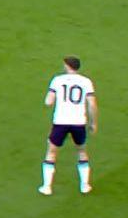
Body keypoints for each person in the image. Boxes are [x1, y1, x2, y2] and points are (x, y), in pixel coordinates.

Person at [40, 56, 98, 196]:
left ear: (67, 66)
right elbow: (92, 104)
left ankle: (47, 187)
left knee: (52, 152)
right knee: (81, 151)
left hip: (61, 122)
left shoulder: (58, 80)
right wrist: (93, 123)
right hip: (79, 122)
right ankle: (85, 185)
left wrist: (50, 98)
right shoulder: (86, 81)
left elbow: (48, 101)